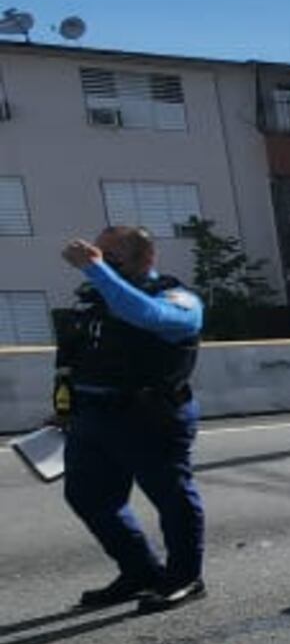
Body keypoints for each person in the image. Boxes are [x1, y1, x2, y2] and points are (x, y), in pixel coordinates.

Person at [55, 225, 208, 611]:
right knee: (87, 496)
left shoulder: (178, 298)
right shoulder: (93, 301)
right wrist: (62, 409)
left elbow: (146, 315)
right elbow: (76, 359)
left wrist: (95, 270)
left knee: (171, 498)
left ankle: (185, 577)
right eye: (98, 255)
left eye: (112, 257)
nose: (101, 263)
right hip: (92, 417)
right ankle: (140, 571)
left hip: (151, 416)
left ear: (146, 259)